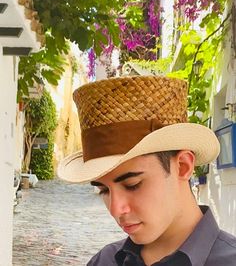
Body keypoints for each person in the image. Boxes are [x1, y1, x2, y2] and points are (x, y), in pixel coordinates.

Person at [57, 75, 236, 266]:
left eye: (132, 185)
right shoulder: (104, 261)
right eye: (104, 190)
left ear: (183, 166)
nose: (116, 209)